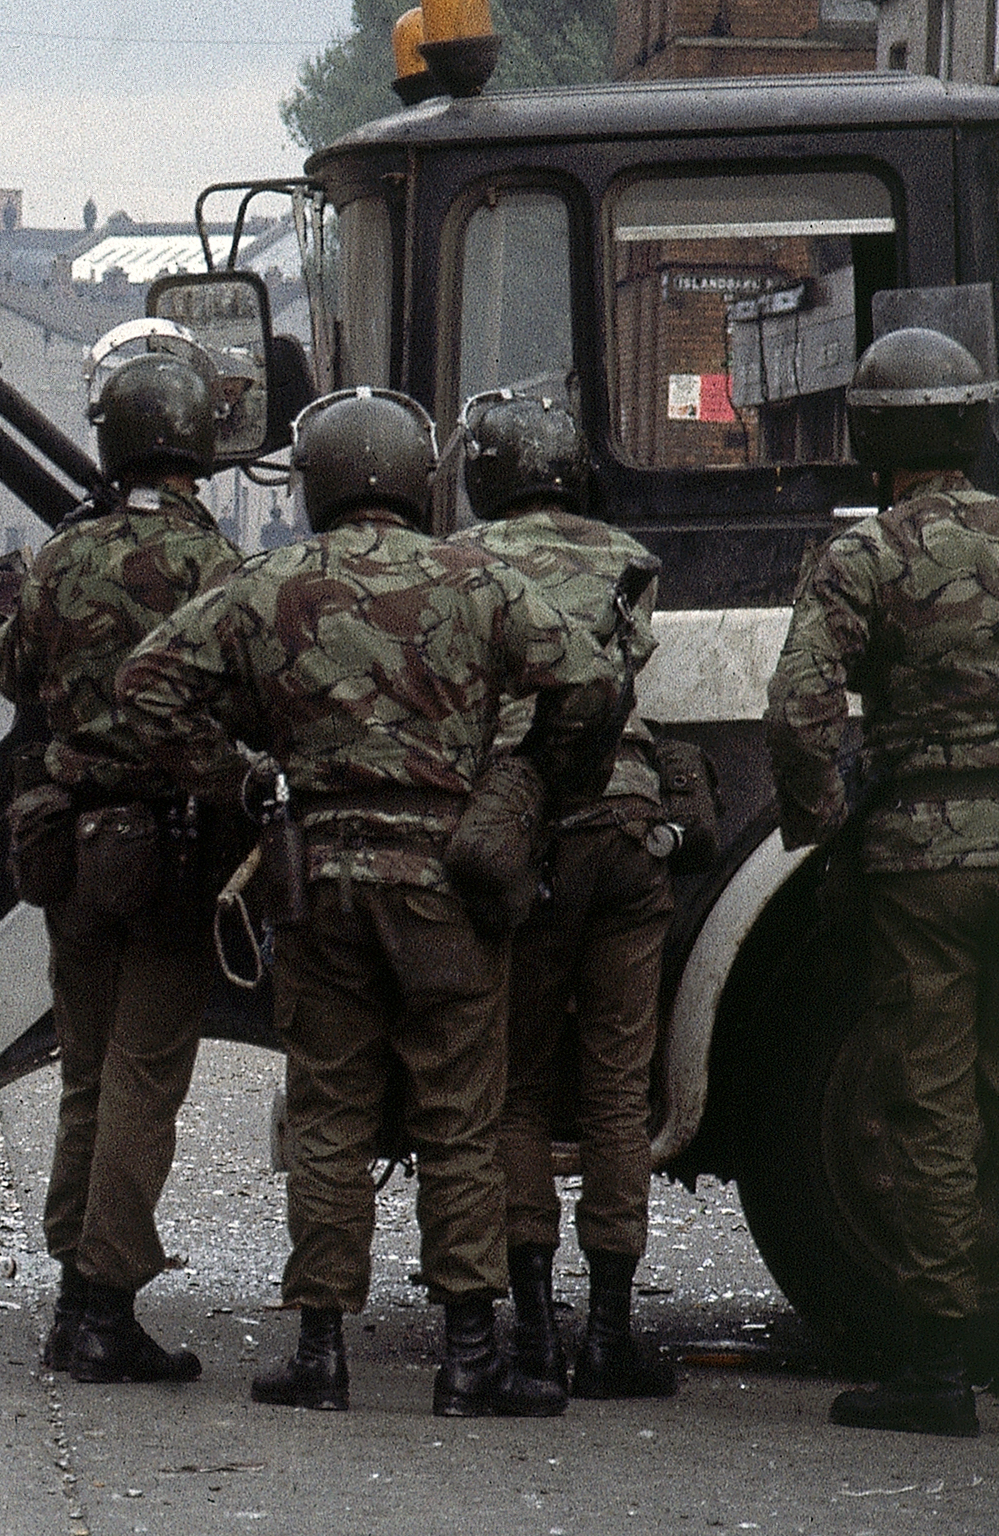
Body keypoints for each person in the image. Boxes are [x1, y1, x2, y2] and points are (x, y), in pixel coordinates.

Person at [114, 387, 625, 1418]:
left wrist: (242, 778)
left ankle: (320, 1353)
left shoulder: (268, 584)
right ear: (419, 478)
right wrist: (531, 782)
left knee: (330, 1118)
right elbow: (595, 680)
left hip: (318, 885)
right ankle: (471, 1355)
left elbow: (145, 684)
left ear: (318, 485)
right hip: (448, 888)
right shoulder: (476, 578)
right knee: (461, 1118)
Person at [766, 328, 999, 1438]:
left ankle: (937, 1367)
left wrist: (827, 826)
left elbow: (798, 711)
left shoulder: (863, 554)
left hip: (924, 864)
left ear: (872, 439)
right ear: (973, 423)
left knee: (930, 1105)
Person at [0, 349, 242, 1383]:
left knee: (88, 1075)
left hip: (69, 847)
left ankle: (72, 1294)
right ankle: (105, 1304)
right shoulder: (216, 563)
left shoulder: (61, 556)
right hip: (169, 853)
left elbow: (11, 668)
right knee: (145, 1077)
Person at [451, 391, 678, 1402]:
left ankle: (536, 1327)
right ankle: (612, 1334)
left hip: (532, 827)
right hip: (630, 824)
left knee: (521, 1086)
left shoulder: (462, 560)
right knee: (618, 1089)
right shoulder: (631, 556)